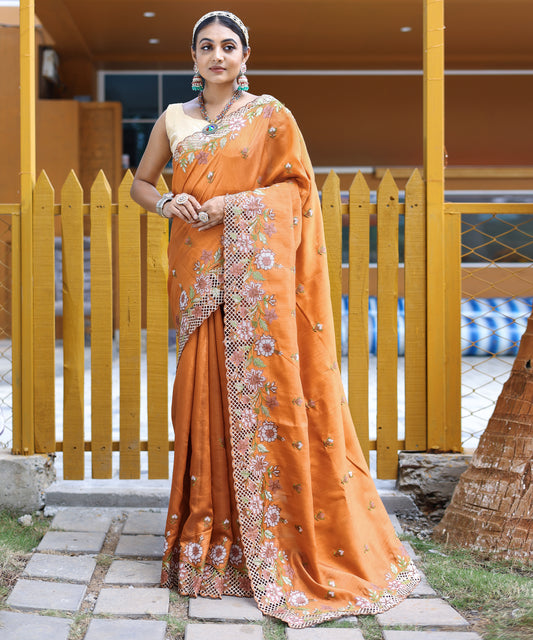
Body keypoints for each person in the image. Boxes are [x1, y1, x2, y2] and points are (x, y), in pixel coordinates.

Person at [130, 10, 420, 629]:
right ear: (193, 58)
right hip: (197, 272)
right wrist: (167, 204)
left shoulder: (270, 116)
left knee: (261, 398)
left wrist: (229, 206)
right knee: (198, 400)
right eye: (205, 47)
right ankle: (210, 541)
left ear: (245, 56)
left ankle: (272, 542)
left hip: (254, 282)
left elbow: (296, 191)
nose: (217, 56)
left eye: (227, 47)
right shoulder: (172, 120)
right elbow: (140, 183)